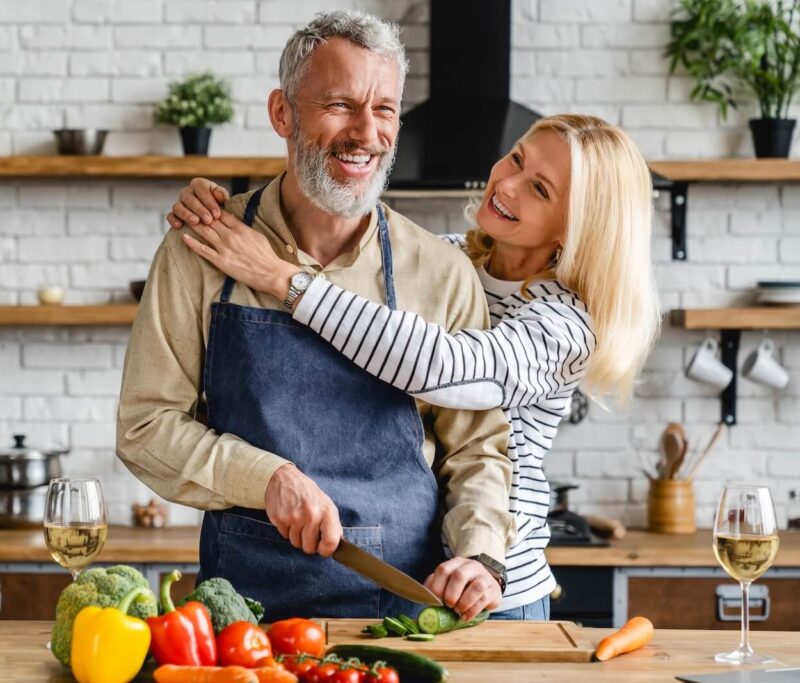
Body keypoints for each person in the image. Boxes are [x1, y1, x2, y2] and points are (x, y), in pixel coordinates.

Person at [166, 113, 661, 620]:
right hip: (417, 571)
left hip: (492, 583)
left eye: (538, 188)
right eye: (516, 159)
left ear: (577, 227)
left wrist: (279, 278)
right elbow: (344, 250)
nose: (506, 185)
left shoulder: (563, 324)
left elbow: (441, 368)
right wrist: (232, 213)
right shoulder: (447, 261)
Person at [118, 10, 516, 623]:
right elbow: (145, 427)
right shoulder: (201, 248)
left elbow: (478, 448)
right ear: (282, 113)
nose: (366, 131)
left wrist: (481, 554)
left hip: (406, 609)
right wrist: (266, 477)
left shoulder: (439, 271)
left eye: (384, 109)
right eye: (339, 104)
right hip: (244, 614)